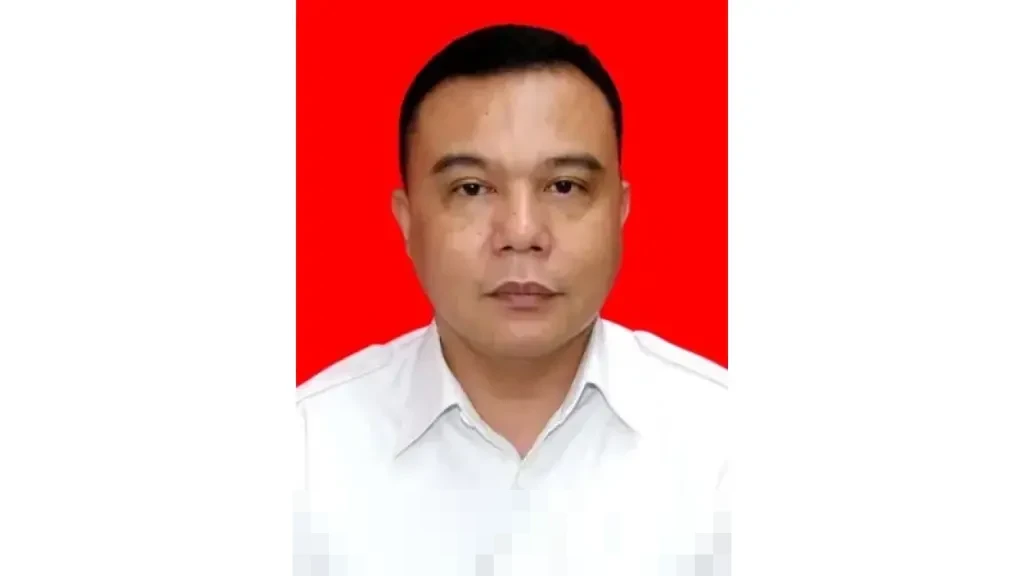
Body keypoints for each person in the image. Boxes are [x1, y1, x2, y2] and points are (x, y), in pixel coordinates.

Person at [294, 23, 730, 576]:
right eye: (472, 189)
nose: (522, 232)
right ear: (407, 221)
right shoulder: (302, 455)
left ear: (620, 213)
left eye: (564, 186)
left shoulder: (728, 446)